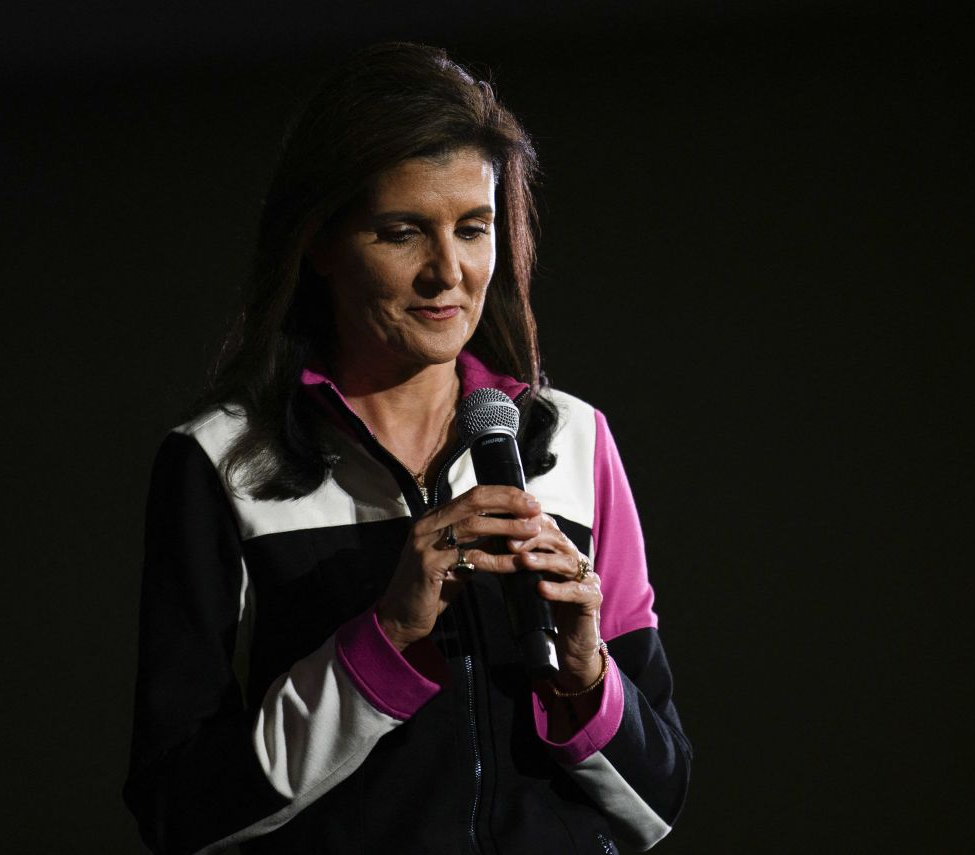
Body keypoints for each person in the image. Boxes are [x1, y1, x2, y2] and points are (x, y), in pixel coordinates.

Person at [124, 42, 691, 854]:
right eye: (401, 232)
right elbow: (179, 809)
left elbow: (658, 802)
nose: (448, 273)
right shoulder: (219, 463)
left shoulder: (574, 439)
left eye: (474, 228)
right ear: (320, 243)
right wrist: (384, 638)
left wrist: (585, 677)